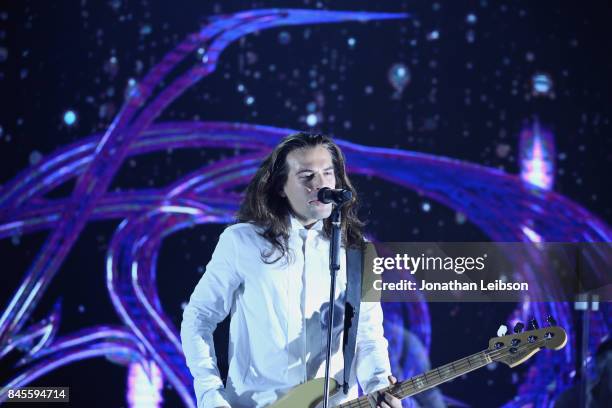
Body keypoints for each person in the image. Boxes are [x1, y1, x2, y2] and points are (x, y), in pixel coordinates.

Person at [181, 132, 401, 408]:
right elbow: (198, 318)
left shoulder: (359, 252)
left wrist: (378, 385)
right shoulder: (241, 241)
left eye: (328, 174)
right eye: (307, 176)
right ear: (281, 187)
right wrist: (209, 393)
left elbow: (367, 336)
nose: (321, 184)